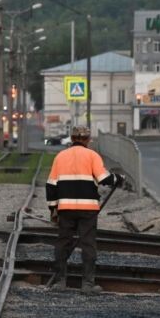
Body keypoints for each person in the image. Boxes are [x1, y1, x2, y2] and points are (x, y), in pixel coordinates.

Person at [46, 126, 123, 294]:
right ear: (88, 140)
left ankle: (60, 282)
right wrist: (118, 178)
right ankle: (87, 285)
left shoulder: (60, 156)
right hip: (88, 209)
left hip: (65, 208)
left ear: (72, 138)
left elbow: (50, 185)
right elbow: (104, 178)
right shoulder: (92, 155)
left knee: (63, 243)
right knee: (88, 244)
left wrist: (53, 210)